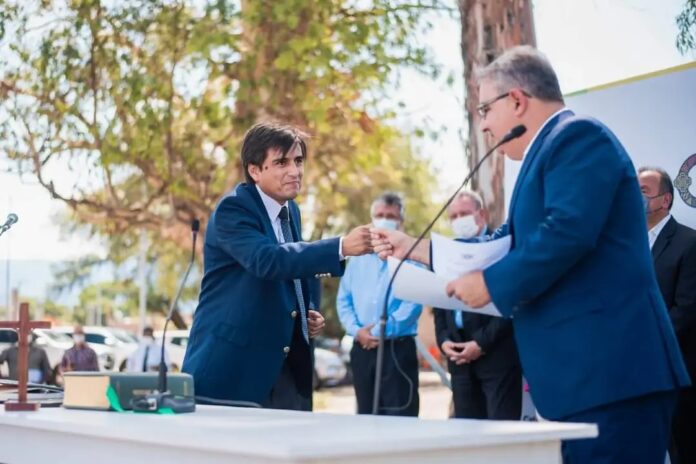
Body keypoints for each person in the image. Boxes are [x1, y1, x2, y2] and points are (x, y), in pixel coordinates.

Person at [372, 46, 689, 463]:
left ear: (518, 100)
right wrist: (416, 249)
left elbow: (568, 232)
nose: (484, 124)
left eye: (486, 109)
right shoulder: (543, 155)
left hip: (610, 374)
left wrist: (489, 285)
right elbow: (504, 243)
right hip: (578, 380)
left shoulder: (578, 137)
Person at [183, 122, 372, 411]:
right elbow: (267, 260)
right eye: (282, 162)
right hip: (233, 370)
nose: (295, 171)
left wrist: (308, 311)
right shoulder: (233, 209)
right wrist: (341, 246)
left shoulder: (291, 210)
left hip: (287, 374)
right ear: (255, 170)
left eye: (298, 161)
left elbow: (294, 266)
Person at [432, 190, 521, 420]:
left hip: (496, 358)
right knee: (467, 433)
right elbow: (439, 307)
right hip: (459, 361)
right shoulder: (447, 254)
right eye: (453, 216)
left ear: (481, 215)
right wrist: (444, 341)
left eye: (464, 214)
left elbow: (511, 303)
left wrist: (481, 343)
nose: (458, 220)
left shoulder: (501, 248)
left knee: (500, 433)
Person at [336, 192, 422, 416]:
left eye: (390, 216)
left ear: (400, 221)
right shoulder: (357, 259)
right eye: (380, 215)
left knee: (400, 417)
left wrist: (376, 332)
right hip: (362, 349)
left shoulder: (412, 257)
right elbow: (344, 300)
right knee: (366, 415)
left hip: (396, 350)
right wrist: (358, 331)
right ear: (372, 219)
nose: (384, 219)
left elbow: (413, 304)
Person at [639, 166, 696, 464]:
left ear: (665, 200)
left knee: (682, 447)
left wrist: (648, 341)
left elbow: (686, 308)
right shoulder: (627, 244)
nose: (636, 198)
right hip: (635, 370)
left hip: (676, 367)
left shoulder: (689, 242)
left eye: (644, 192)